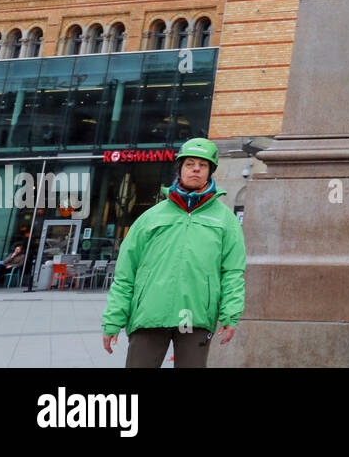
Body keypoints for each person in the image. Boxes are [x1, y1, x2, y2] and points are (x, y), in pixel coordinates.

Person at [101, 138, 246, 368]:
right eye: (190, 163)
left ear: (210, 172)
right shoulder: (151, 216)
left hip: (194, 316)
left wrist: (230, 315)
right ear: (180, 169)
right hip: (150, 314)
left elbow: (232, 273)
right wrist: (113, 319)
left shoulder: (225, 220)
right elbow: (126, 271)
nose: (196, 169)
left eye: (203, 165)